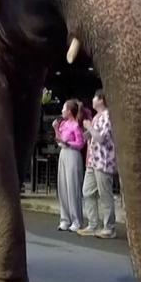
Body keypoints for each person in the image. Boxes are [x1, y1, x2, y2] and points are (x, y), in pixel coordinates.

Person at [79, 90, 117, 239]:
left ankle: (109, 227)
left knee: (105, 195)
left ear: (101, 100)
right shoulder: (96, 117)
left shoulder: (108, 116)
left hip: (104, 161)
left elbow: (102, 139)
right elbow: (93, 137)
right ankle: (92, 224)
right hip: (92, 160)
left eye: (95, 97)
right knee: (87, 191)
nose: (93, 100)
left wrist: (89, 127)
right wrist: (86, 132)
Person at [54, 99, 86, 233]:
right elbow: (58, 140)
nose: (62, 111)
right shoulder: (63, 124)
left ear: (69, 111)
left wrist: (68, 143)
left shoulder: (76, 125)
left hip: (73, 154)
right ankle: (65, 219)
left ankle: (76, 220)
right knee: (63, 186)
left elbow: (80, 143)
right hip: (63, 153)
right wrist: (55, 128)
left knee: (73, 186)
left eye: (63, 109)